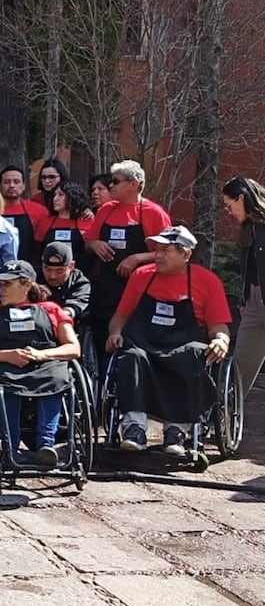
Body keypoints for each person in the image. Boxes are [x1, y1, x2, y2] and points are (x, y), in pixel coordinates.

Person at [106, 225, 232, 456]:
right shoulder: (142, 276)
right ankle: (134, 428)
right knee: (131, 356)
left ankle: (177, 430)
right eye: (157, 249)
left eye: (166, 250)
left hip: (183, 344)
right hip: (144, 342)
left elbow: (218, 326)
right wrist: (115, 333)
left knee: (194, 353)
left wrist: (221, 341)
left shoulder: (207, 281)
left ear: (186, 254)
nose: (158, 255)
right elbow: (121, 316)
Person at [0, 260, 80, 465]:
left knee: (56, 378)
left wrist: (42, 355)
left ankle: (46, 445)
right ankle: (10, 447)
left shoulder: (51, 309)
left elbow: (73, 348)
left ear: (27, 284)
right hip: (4, 362)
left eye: (7, 284)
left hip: (46, 362)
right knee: (4, 385)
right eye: (0, 285)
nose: (1, 289)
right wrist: (6, 355)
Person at [85, 160, 172, 371]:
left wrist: (138, 258)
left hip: (140, 289)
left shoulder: (153, 212)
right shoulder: (106, 210)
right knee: (102, 338)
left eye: (115, 181)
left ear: (134, 184)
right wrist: (94, 244)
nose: (111, 185)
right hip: (106, 288)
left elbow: (170, 254)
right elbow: (87, 241)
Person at [223, 176, 265, 397]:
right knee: (239, 369)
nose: (228, 212)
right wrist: (245, 299)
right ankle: (226, 412)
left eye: (229, 205)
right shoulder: (249, 230)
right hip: (252, 307)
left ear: (241, 198)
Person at [34, 181, 94, 266]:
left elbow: (91, 249)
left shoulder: (86, 220)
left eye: (60, 194)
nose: (55, 199)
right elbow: (37, 251)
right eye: (54, 195)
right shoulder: (45, 221)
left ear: (72, 197)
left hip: (81, 269)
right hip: (50, 270)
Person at [0, 165, 47, 265]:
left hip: (29, 267)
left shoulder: (38, 211)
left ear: (24, 186)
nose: (12, 185)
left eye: (16, 182)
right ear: (0, 186)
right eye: (7, 182)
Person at [38, 242, 91, 323]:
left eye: (59, 271)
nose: (52, 276)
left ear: (71, 266)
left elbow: (73, 307)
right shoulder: (31, 278)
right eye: (47, 269)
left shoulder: (80, 282)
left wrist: (59, 316)